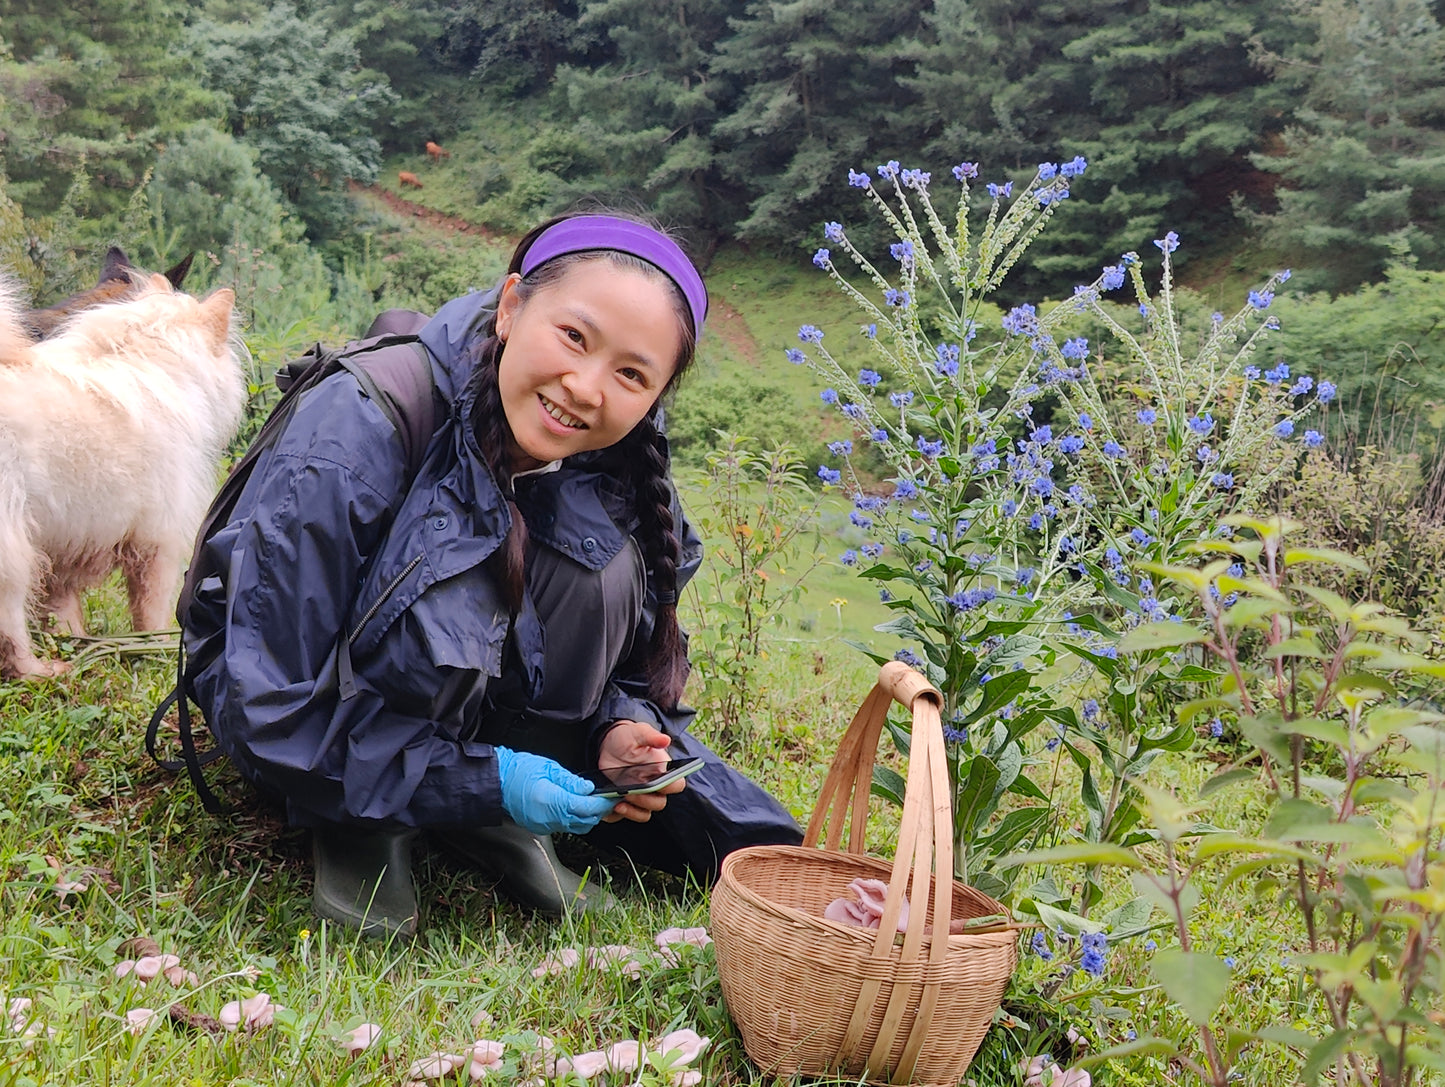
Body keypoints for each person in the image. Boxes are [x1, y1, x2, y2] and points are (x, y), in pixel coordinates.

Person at [184, 212, 803, 938]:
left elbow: (632, 662)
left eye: (631, 374)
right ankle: (364, 823)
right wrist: (489, 779)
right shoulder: (357, 429)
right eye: (573, 336)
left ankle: (487, 812)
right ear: (511, 306)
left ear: (657, 393)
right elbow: (270, 702)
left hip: (469, 737)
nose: (585, 387)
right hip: (299, 718)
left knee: (598, 569)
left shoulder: (620, 460)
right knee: (460, 562)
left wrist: (618, 727)